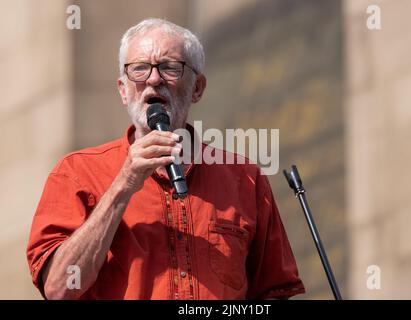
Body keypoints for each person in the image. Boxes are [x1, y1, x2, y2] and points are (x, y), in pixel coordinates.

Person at [26, 18, 305, 300]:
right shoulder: (78, 172)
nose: (153, 79)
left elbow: (273, 293)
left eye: (170, 67)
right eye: (139, 68)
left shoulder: (244, 178)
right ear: (123, 90)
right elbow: (59, 289)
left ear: (197, 88)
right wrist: (124, 183)